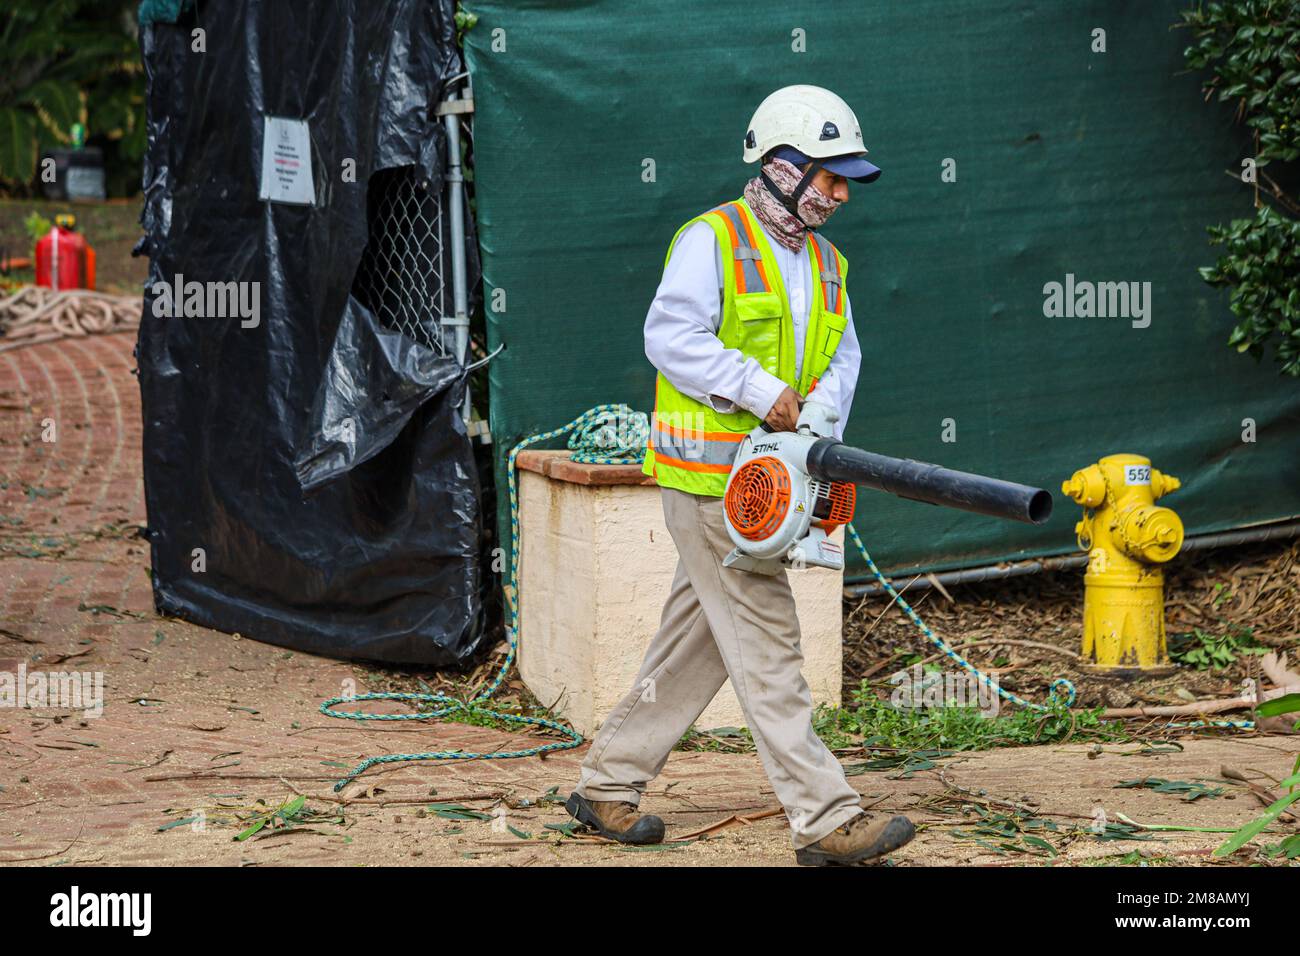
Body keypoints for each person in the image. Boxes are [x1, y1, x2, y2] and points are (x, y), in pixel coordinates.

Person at [565, 85, 916, 866]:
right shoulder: (712, 239)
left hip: (772, 484)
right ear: (783, 165)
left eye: (844, 178)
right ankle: (826, 817)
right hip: (707, 485)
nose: (839, 192)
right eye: (828, 175)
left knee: (699, 640)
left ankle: (606, 784)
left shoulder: (827, 263)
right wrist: (762, 393)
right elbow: (671, 337)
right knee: (769, 640)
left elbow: (843, 358)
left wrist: (817, 419)